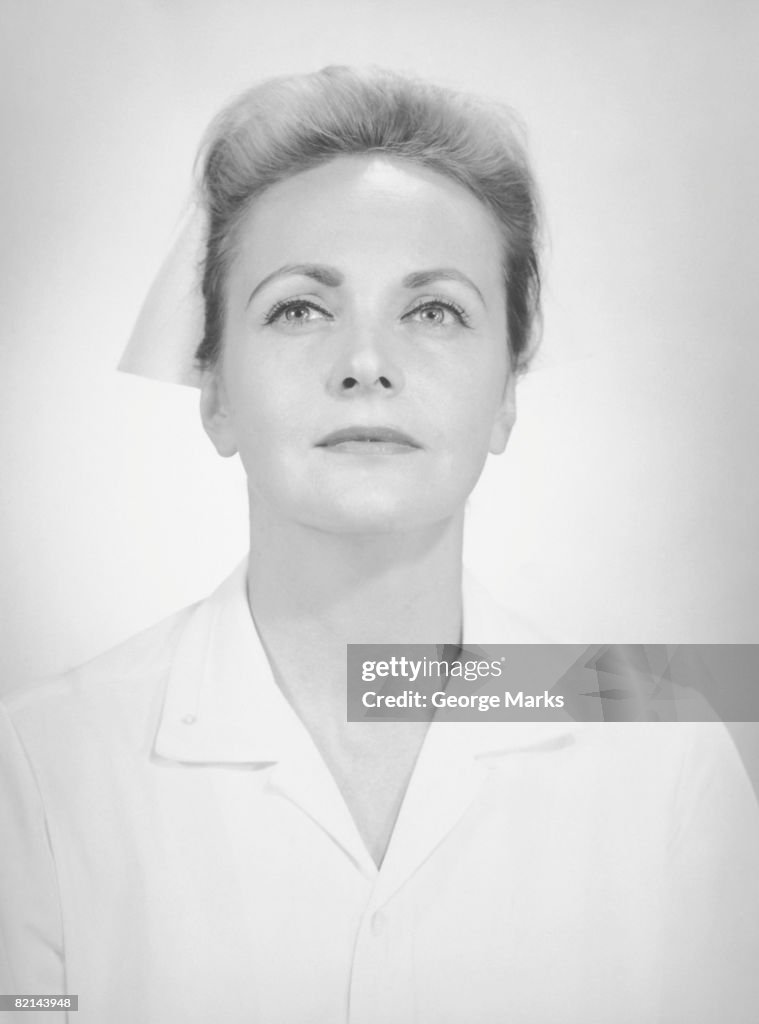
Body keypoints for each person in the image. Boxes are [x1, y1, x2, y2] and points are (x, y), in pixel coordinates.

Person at [1, 66, 758, 1024]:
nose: (365, 364)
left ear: (507, 395)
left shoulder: (666, 750)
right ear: (217, 394)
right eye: (298, 308)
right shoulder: (37, 766)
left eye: (434, 310)